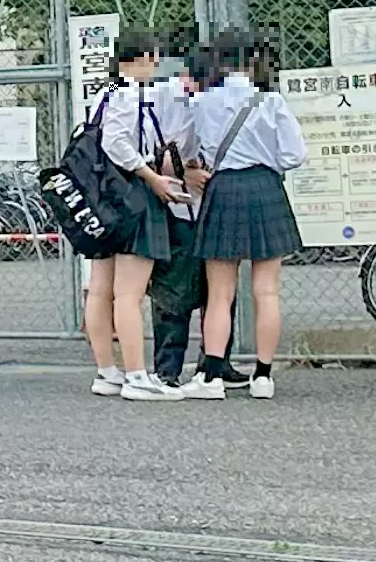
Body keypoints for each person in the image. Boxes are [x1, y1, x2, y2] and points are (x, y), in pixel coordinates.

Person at [182, 24, 307, 399]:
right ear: (253, 59)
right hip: (266, 189)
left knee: (220, 292)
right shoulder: (271, 101)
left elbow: (192, 147)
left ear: (218, 59)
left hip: (222, 190)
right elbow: (295, 155)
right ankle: (264, 377)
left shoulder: (203, 101)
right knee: (266, 290)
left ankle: (213, 377)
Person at [78, 31, 189, 399]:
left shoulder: (103, 94)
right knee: (129, 293)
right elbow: (116, 143)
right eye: (153, 58)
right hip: (132, 196)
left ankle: (107, 372)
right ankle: (138, 376)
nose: (156, 65)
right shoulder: (130, 94)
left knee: (100, 290)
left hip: (100, 198)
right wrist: (151, 175)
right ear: (137, 57)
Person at [148, 33, 214, 387]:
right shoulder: (159, 96)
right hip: (174, 204)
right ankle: (167, 368)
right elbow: (144, 151)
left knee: (217, 288)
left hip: (212, 206)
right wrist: (184, 172)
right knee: (173, 289)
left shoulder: (216, 98)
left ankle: (214, 364)